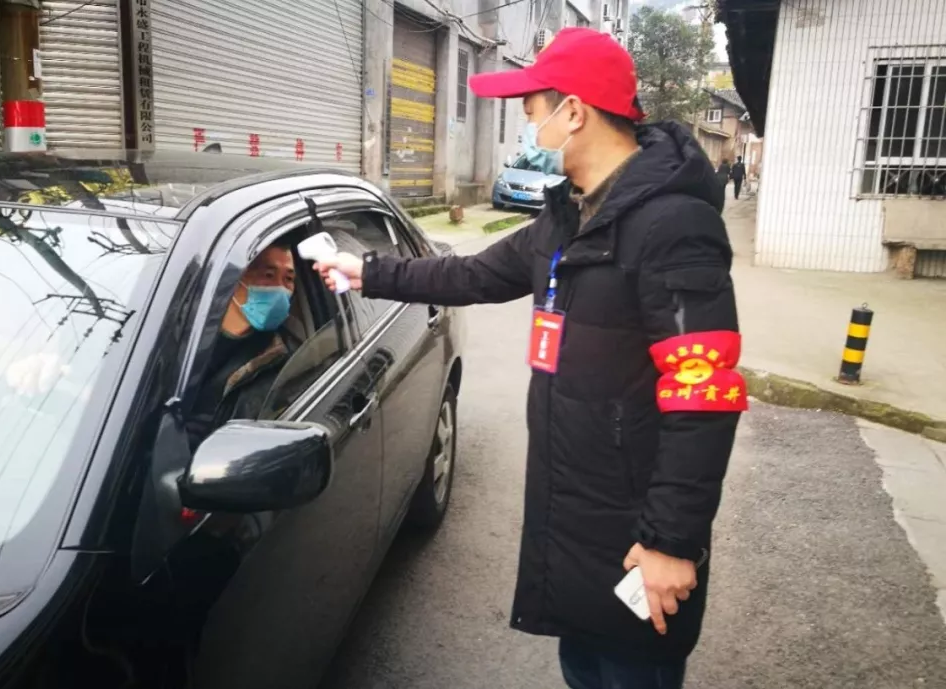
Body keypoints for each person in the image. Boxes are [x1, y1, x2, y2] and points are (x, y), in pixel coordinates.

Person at [315, 27, 745, 689]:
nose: (527, 128)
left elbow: (703, 392)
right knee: (583, 669)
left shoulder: (673, 225)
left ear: (574, 112)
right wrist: (367, 271)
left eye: (531, 110)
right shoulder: (569, 218)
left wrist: (671, 541)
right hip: (574, 512)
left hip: (638, 528)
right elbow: (470, 274)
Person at [186, 239, 301, 446]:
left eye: (289, 279)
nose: (280, 289)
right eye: (268, 275)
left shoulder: (281, 358)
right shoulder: (181, 334)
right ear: (236, 278)